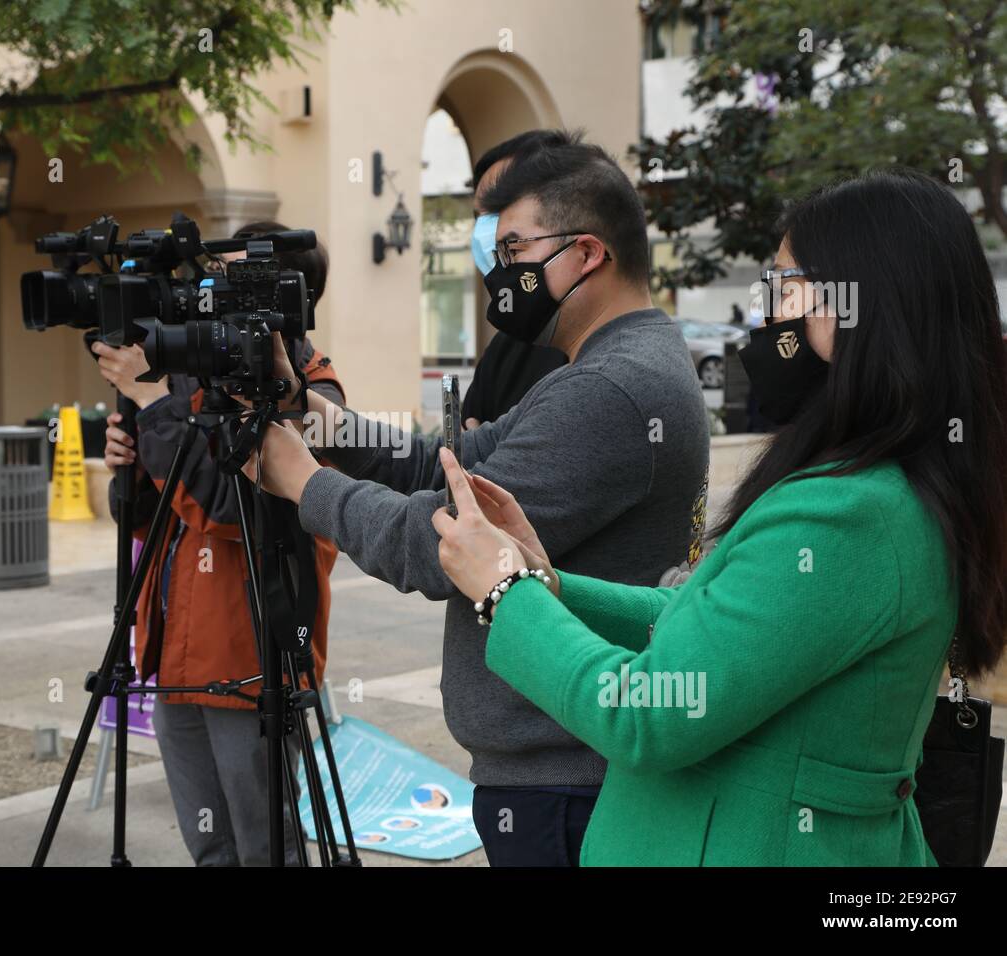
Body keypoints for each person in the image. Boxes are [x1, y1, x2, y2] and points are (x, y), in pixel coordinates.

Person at [434, 168, 1007, 865]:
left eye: (785, 287)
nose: (767, 317)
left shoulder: (848, 513)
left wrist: (504, 593)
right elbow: (713, 628)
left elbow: (649, 714)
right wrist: (548, 582)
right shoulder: (883, 484)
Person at [242, 133, 710, 865]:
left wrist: (302, 480)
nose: (501, 272)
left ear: (586, 253)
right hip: (556, 769)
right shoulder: (606, 368)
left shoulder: (613, 388)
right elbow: (450, 464)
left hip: (567, 782)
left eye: (516, 250)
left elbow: (437, 545)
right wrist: (311, 413)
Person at [91, 222, 346, 866]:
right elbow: (147, 517)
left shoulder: (312, 393)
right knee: (211, 850)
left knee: (265, 847)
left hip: (250, 657)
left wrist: (153, 404)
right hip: (176, 653)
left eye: (231, 278)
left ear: (286, 292)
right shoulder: (196, 381)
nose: (212, 291)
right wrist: (133, 449)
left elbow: (233, 509)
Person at [462, 131, 570, 429]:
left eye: (498, 209)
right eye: (479, 215)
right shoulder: (507, 344)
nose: (486, 230)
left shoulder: (601, 357)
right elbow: (463, 443)